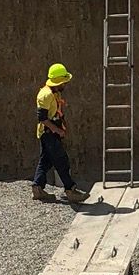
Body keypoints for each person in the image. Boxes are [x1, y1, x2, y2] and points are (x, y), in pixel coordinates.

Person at [33, 61, 87, 205]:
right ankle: (70, 189)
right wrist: (56, 130)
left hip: (51, 132)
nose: (65, 84)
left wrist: (62, 126)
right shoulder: (45, 95)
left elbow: (56, 112)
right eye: (63, 81)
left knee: (46, 161)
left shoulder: (54, 93)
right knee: (62, 161)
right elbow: (42, 118)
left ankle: (37, 187)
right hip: (48, 133)